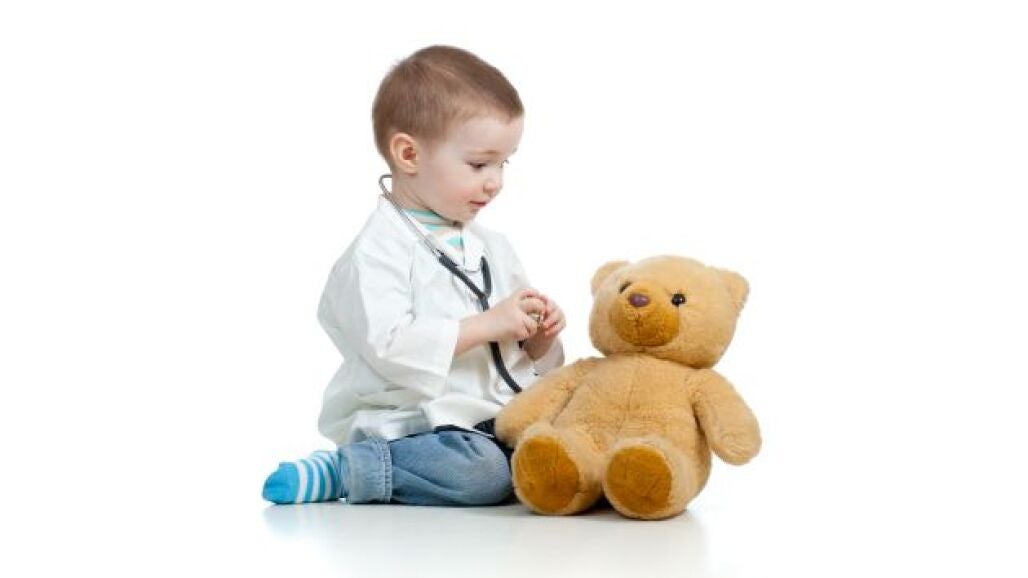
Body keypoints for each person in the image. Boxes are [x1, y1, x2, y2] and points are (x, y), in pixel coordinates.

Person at [262, 45, 567, 506]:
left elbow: (519, 360)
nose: (496, 181)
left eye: (504, 163)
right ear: (408, 154)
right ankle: (351, 469)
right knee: (481, 474)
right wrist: (487, 324)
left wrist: (540, 342)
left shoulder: (494, 248)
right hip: (417, 425)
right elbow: (390, 346)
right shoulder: (375, 253)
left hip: (494, 418)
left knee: (568, 432)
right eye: (479, 164)